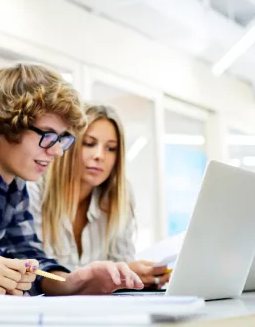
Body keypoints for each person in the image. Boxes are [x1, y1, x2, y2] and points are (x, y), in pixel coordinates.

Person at [0, 63, 145, 295]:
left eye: (63, 139)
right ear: (8, 122)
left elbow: (31, 262)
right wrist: (6, 282)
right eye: (48, 136)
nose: (57, 152)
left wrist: (76, 280)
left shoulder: (15, 184)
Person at [28, 104, 171, 289]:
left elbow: (122, 262)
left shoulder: (117, 199)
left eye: (111, 148)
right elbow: (34, 274)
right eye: (89, 144)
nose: (99, 156)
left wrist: (137, 277)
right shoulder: (34, 191)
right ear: (67, 144)